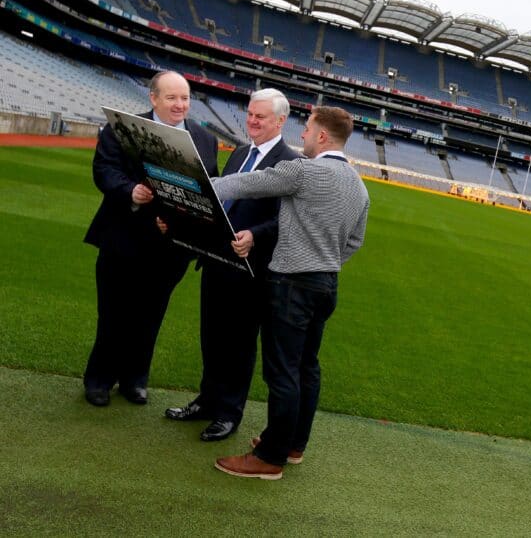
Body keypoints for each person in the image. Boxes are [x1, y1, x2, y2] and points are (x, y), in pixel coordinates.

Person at [211, 106, 369, 480]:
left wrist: (198, 187)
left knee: (282, 372)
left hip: (291, 283)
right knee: (306, 367)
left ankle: (270, 457)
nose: (302, 136)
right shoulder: (359, 186)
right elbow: (355, 242)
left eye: (308, 130)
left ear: (322, 137)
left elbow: (245, 183)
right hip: (326, 282)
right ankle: (294, 443)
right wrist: (324, 261)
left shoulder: (304, 170)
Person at [164, 88, 301, 442]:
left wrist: (255, 235)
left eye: (261, 117)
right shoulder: (240, 152)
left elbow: (288, 219)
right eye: (251, 114)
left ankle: (228, 413)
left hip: (251, 270)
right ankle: (207, 401)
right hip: (216, 262)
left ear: (281, 121)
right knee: (211, 337)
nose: (252, 121)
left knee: (239, 345)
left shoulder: (291, 163)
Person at [83, 71, 218, 407]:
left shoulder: (204, 138)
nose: (180, 104)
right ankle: (99, 379)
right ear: (153, 98)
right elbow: (104, 170)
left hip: (171, 249)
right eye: (172, 97)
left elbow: (209, 188)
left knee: (150, 316)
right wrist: (130, 190)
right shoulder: (122, 128)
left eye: (185, 97)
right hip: (122, 240)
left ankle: (135, 380)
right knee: (113, 313)